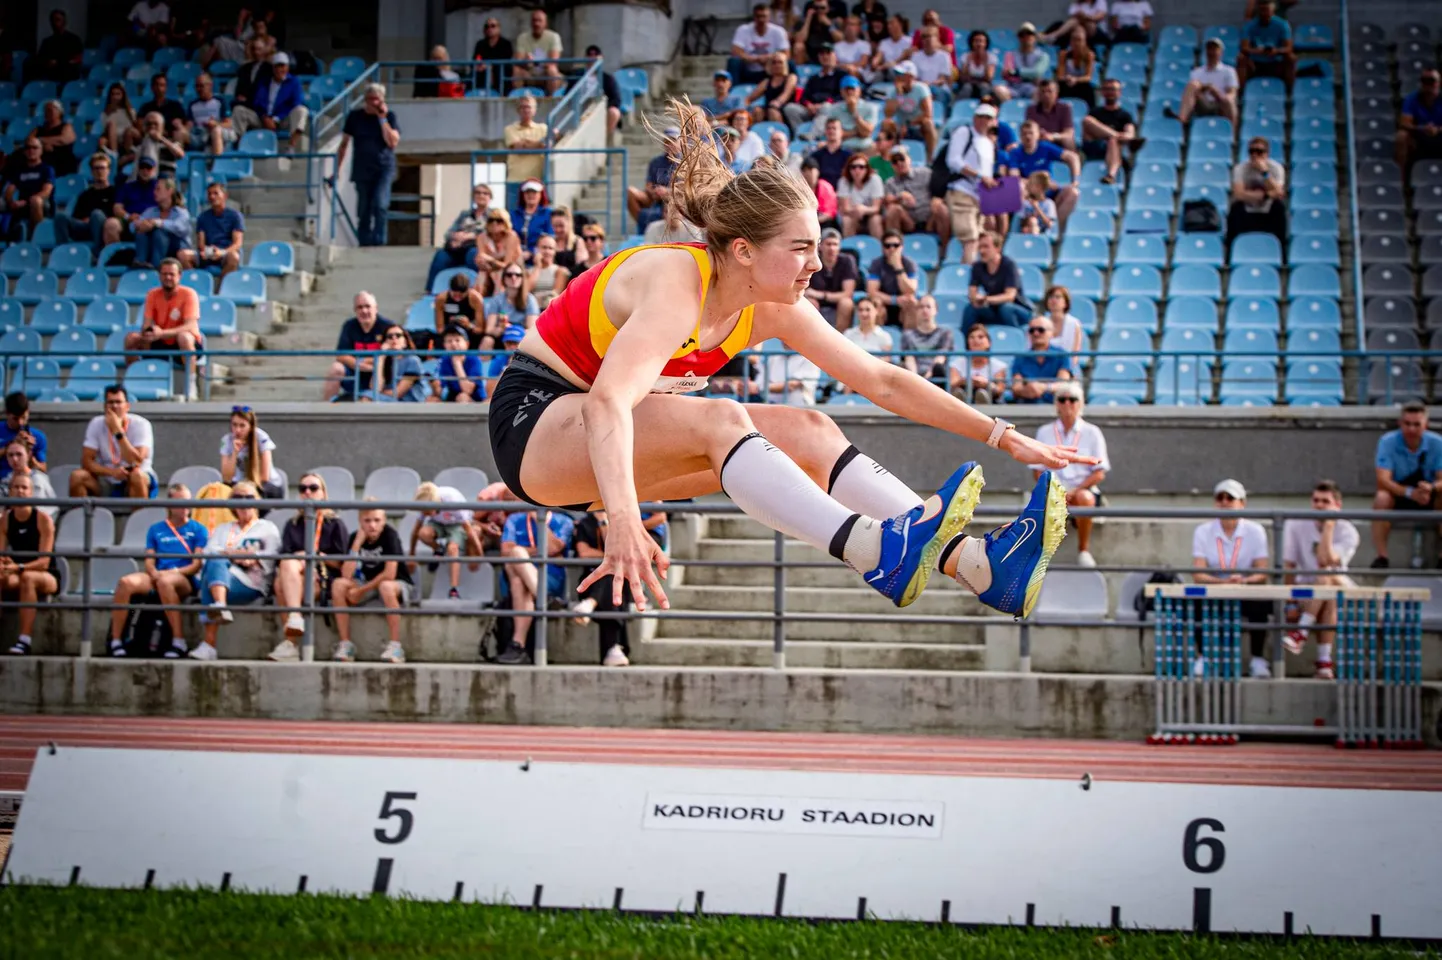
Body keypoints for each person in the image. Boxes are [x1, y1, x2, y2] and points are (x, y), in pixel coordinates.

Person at [486, 97, 1091, 622]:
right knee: (723, 419)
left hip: (604, 438)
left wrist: (1002, 434)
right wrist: (624, 518)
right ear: (744, 251)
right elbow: (609, 400)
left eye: (820, 246)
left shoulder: (769, 303)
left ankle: (983, 568)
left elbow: (882, 380)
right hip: (538, 425)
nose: (818, 265)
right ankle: (874, 551)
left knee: (809, 429)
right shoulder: (677, 282)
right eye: (802, 248)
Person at [106, 482, 208, 657]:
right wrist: (153, 573)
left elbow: (196, 565)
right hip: (158, 574)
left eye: (188, 501)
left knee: (165, 582)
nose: (185, 506)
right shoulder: (156, 529)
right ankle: (116, 640)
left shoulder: (199, 529)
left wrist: (171, 573)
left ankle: (178, 641)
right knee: (126, 583)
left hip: (183, 577)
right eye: (180, 502)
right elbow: (149, 560)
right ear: (170, 505)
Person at [188, 481, 281, 660]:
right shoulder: (224, 528)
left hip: (250, 583)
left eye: (249, 497)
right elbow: (209, 552)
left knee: (211, 576)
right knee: (214, 563)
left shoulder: (267, 528)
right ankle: (220, 606)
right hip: (222, 578)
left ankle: (209, 643)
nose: (244, 502)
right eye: (238, 498)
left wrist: (238, 555)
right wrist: (239, 555)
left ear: (258, 501)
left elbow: (270, 556)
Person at [1190, 478, 1272, 678]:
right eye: (1220, 498)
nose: (1225, 502)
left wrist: (1244, 582)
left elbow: (1262, 572)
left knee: (1261, 602)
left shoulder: (1255, 531)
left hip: (1244, 589)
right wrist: (1222, 583)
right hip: (1216, 590)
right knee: (1197, 599)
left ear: (1242, 504)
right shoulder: (1203, 531)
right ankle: (1203, 657)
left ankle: (1258, 659)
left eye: (1230, 498)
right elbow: (1198, 574)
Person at [1282, 480, 1360, 680]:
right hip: (1308, 588)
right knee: (1329, 595)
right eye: (1316, 500)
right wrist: (1290, 602)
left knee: (1327, 578)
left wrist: (1329, 526)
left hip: (1338, 582)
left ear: (1337, 506)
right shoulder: (1295, 524)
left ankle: (1301, 632)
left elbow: (1326, 561)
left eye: (1325, 501)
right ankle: (1324, 663)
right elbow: (1288, 566)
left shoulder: (1348, 531)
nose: (1319, 505)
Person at [267, 472, 349, 661]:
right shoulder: (292, 524)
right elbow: (284, 558)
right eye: (303, 489)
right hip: (297, 578)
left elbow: (340, 563)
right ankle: (294, 620)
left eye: (313, 488)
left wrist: (313, 557)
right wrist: (299, 559)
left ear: (323, 493)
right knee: (284, 574)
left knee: (281, 584)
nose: (308, 492)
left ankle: (291, 643)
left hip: (324, 579)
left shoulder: (335, 523)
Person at [1030, 383, 1106, 566]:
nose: (1067, 404)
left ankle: (1084, 550)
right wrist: (1058, 491)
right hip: (1053, 488)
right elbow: (1037, 471)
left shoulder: (1092, 432)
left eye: (1072, 399)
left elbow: (1099, 473)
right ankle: (1039, 555)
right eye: (1062, 399)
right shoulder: (1044, 431)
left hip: (1082, 488)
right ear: (1056, 404)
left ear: (1080, 404)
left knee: (1085, 498)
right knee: (1043, 501)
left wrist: (1074, 491)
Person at [331, 505, 412, 663]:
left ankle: (396, 647)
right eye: (367, 521)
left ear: (384, 521)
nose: (372, 525)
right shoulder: (355, 537)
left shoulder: (390, 535)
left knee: (386, 586)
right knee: (338, 585)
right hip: (368, 584)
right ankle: (346, 645)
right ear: (360, 522)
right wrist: (356, 545)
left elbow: (390, 574)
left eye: (377, 520)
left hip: (397, 584)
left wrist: (361, 590)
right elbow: (346, 574)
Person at [494, 507, 575, 664]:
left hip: (549, 577)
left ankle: (518, 644)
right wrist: (541, 552)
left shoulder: (564, 521)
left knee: (517, 568)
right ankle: (544, 598)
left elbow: (552, 547)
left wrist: (541, 521)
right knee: (516, 558)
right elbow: (505, 551)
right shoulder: (515, 519)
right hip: (528, 581)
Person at [1370, 400, 1442, 568]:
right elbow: (1383, 480)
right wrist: (1410, 493)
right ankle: (1382, 557)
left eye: (1416, 424)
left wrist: (1430, 488)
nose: (1411, 429)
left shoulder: (1438, 443)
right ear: (1400, 423)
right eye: (1407, 424)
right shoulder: (1387, 442)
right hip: (1400, 494)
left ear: (1426, 425)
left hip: (1429, 495)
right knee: (1381, 498)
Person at [0, 474, 59, 657]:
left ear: (32, 492)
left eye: (24, 488)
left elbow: (44, 562)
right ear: (9, 492)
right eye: (16, 487)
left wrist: (18, 567)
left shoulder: (43, 519)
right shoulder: (6, 519)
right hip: (18, 570)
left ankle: (24, 640)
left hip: (47, 575)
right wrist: (5, 564)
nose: (20, 491)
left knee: (28, 578)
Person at [126, 256, 202, 397]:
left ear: (179, 276)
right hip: (160, 340)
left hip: (183, 343)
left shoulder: (189, 294)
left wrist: (162, 333)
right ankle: (133, 381)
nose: (168, 277)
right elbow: (147, 323)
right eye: (164, 274)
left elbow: (190, 325)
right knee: (131, 339)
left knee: (184, 337)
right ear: (159, 275)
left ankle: (191, 384)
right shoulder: (152, 294)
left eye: (171, 274)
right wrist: (148, 332)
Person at [336, 83, 401, 247]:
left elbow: (392, 142)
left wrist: (382, 119)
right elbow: (344, 144)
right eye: (370, 99)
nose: (374, 103)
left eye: (377, 100)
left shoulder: (389, 117)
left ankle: (379, 242)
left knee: (380, 204)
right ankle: (364, 243)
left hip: (383, 167)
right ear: (365, 100)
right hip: (362, 168)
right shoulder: (355, 117)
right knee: (363, 209)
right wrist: (337, 169)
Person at [571, 510, 639, 666]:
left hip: (620, 580)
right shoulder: (585, 523)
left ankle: (590, 603)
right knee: (611, 577)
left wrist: (603, 524)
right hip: (591, 581)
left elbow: (617, 550)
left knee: (612, 576)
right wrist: (609, 557)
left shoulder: (621, 520)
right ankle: (615, 648)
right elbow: (583, 553)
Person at [70, 385, 157, 500]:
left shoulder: (141, 424)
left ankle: (139, 517)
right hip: (106, 477)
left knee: (137, 476)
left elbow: (136, 461)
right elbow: (86, 461)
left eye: (118, 402)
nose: (114, 406)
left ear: (127, 406)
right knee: (77, 476)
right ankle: (81, 517)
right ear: (105, 406)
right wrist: (112, 472)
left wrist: (118, 431)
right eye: (110, 402)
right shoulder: (96, 423)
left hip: (133, 476)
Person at [941, 104, 997, 265]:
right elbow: (953, 161)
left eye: (988, 118)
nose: (984, 121)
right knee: (970, 239)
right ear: (974, 118)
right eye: (981, 117)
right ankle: (968, 281)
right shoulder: (964, 132)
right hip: (962, 192)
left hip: (979, 197)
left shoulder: (988, 143)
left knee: (979, 240)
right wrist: (979, 176)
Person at [1001, 120, 1081, 226]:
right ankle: (1020, 226)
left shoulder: (1045, 147)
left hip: (1048, 194)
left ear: (1038, 134)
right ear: (1020, 136)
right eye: (1024, 134)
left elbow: (1073, 157)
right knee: (1018, 186)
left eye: (1031, 133)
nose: (1028, 137)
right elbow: (1014, 177)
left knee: (1073, 193)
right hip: (1029, 195)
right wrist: (1041, 183)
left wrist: (1075, 180)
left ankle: (1055, 228)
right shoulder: (1016, 153)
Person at [324, 291, 394, 401]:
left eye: (367, 306)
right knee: (335, 368)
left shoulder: (387, 326)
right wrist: (360, 364)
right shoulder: (349, 325)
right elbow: (341, 355)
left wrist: (369, 362)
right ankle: (326, 409)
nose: (364, 311)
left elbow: (392, 356)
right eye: (359, 307)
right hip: (355, 372)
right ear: (355, 310)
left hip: (380, 375)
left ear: (376, 308)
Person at [231, 52, 308, 151]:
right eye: (277, 66)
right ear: (273, 68)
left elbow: (296, 102)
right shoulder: (264, 81)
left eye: (283, 66)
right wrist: (264, 117)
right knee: (239, 110)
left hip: (282, 119)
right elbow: (257, 102)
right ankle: (241, 144)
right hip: (263, 118)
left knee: (301, 110)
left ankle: (291, 145)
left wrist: (276, 119)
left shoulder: (294, 82)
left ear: (287, 67)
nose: (280, 69)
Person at [427, 184, 495, 291]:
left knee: (473, 254)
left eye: (485, 193)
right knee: (441, 255)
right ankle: (431, 290)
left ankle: (476, 289)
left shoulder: (493, 215)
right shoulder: (465, 214)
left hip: (477, 247)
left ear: (490, 197)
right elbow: (448, 233)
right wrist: (455, 237)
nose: (481, 195)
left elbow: (493, 233)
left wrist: (471, 236)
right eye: (478, 193)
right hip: (458, 247)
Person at [1227, 137, 1287, 250]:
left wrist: (1264, 173)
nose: (1255, 155)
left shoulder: (1276, 168)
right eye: (1251, 151)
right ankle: (1232, 250)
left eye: (1259, 151)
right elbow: (1239, 194)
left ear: (1267, 153)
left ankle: (1281, 251)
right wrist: (1266, 195)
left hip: (1268, 209)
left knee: (1279, 207)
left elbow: (1279, 193)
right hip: (1247, 208)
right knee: (1235, 207)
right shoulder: (1241, 168)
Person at [963, 231, 1031, 331]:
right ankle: (964, 343)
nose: (981, 251)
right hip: (994, 309)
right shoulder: (977, 266)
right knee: (971, 308)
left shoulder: (1009, 265)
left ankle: (1016, 341)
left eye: (986, 247)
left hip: (1017, 309)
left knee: (1006, 308)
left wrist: (985, 299)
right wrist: (975, 299)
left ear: (997, 248)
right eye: (980, 247)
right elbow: (972, 293)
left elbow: (1009, 297)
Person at [54, 153, 118, 255]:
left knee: (96, 214)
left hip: (103, 228)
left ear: (108, 170)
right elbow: (77, 216)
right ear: (92, 171)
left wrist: (94, 218)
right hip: (85, 227)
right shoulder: (85, 194)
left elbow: (116, 216)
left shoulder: (115, 192)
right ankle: (62, 251)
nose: (99, 171)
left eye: (102, 168)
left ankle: (98, 252)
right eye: (96, 168)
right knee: (60, 217)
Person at [1167, 37, 1239, 126]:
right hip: (1203, 103)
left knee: (1229, 100)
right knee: (1193, 85)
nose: (1211, 52)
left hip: (1220, 103)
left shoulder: (1229, 71)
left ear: (1220, 52)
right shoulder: (1196, 72)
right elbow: (1194, 92)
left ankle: (1232, 134)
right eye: (1209, 49)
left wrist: (1218, 94)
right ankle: (1182, 119)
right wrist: (1205, 88)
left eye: (1214, 49)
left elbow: (1232, 93)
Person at [1080, 78, 1138, 185]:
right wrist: (1117, 135)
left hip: (1113, 149)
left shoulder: (1125, 115)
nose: (1110, 92)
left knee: (1113, 141)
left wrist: (1117, 137)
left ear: (1119, 92)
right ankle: (1115, 136)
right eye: (1107, 89)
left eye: (1113, 89)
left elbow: (1130, 134)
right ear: (1102, 92)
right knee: (1088, 121)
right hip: (1094, 146)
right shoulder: (1095, 112)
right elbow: (1087, 126)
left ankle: (1111, 175)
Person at [220, 405, 284, 499]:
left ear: (250, 426)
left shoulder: (261, 438)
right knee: (221, 492)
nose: (238, 430)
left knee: (250, 495)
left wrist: (245, 489)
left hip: (267, 485)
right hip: (240, 485)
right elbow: (226, 477)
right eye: (234, 425)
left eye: (242, 425)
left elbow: (264, 476)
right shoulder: (227, 440)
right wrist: (234, 453)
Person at [131, 178, 192, 269]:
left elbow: (180, 227)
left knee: (159, 232)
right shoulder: (151, 211)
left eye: (158, 189)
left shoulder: (181, 212)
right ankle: (140, 263)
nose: (154, 192)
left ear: (169, 191)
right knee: (142, 231)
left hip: (176, 251)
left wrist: (157, 223)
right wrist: (141, 225)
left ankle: (156, 267)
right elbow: (131, 226)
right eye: (154, 189)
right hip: (153, 251)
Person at [804, 227, 858, 330]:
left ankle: (839, 338)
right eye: (828, 244)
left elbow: (848, 293)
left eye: (835, 244)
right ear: (820, 246)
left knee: (846, 303)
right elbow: (806, 290)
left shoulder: (847, 261)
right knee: (809, 303)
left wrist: (822, 295)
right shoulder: (811, 260)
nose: (831, 248)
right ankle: (813, 337)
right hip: (816, 301)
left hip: (837, 302)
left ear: (839, 247)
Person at [865, 229, 920, 328]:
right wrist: (894, 300)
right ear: (882, 248)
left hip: (903, 305)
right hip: (884, 302)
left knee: (912, 302)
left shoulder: (909, 264)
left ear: (901, 247)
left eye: (895, 245)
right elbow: (872, 291)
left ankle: (909, 341)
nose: (892, 249)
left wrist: (898, 266)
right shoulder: (876, 263)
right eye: (887, 246)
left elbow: (910, 290)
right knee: (875, 302)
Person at [1010, 317, 1073, 403]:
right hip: (1027, 407)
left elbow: (1063, 383)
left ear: (1052, 333)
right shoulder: (1020, 357)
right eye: (1032, 330)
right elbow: (1016, 387)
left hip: (1055, 406)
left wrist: (1044, 387)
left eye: (1041, 330)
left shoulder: (1062, 355)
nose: (1036, 333)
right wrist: (1029, 390)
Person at [628, 125, 679, 227]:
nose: (670, 144)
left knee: (676, 197)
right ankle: (643, 226)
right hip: (656, 196)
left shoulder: (686, 162)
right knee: (631, 192)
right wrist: (655, 191)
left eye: (673, 141)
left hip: (677, 197)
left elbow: (687, 188)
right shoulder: (656, 162)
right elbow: (648, 184)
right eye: (667, 141)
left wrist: (668, 192)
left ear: (681, 142)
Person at [3, 137, 54, 238]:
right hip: (22, 204)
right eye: (28, 148)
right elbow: (9, 190)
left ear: (41, 150)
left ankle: (36, 236)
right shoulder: (20, 170)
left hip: (42, 205)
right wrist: (11, 202)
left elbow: (47, 191)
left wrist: (29, 200)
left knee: (36, 201)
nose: (31, 150)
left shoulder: (47, 169)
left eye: (35, 148)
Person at [1237, 0, 1295, 90]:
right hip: (1255, 62)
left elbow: (1288, 47)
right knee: (1241, 58)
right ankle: (1241, 92)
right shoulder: (1249, 26)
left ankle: (1290, 91)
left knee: (1291, 58)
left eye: (1266, 9)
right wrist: (1258, 51)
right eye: (1262, 10)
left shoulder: (1282, 24)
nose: (1264, 13)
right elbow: (1244, 47)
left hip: (1275, 61)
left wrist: (1276, 51)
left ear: (1273, 10)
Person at [883, 62, 936, 159]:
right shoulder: (893, 91)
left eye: (901, 74)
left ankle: (930, 158)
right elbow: (888, 114)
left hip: (917, 125)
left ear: (911, 76)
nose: (898, 77)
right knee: (887, 124)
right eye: (897, 74)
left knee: (928, 124)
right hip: (900, 125)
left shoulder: (921, 89)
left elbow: (927, 114)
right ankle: (890, 158)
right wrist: (899, 95)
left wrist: (909, 124)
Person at [190, 182, 245, 276]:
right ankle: (195, 283)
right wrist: (206, 251)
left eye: (215, 193)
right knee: (183, 255)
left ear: (225, 196)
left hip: (226, 253)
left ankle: (221, 289)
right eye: (209, 194)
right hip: (208, 253)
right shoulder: (202, 217)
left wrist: (222, 252)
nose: (212, 197)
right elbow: (201, 243)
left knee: (234, 257)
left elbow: (237, 243)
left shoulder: (235, 216)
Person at [362, 328, 430, 403]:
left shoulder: (413, 360)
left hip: (409, 403)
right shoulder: (384, 361)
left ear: (405, 342)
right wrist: (381, 357)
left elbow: (398, 393)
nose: (394, 338)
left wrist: (377, 392)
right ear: (385, 342)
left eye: (398, 335)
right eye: (390, 336)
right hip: (389, 400)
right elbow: (375, 388)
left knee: (368, 397)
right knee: (367, 397)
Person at [730, 3, 792, 84]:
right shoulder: (743, 30)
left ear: (769, 17)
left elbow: (786, 54)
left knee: (790, 64)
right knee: (733, 62)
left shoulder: (778, 31)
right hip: (749, 69)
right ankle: (732, 91)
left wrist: (769, 58)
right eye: (758, 16)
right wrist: (754, 59)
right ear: (754, 17)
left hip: (770, 70)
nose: (761, 20)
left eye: (764, 16)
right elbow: (735, 52)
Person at [1396, 68, 1442, 171]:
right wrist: (1422, 128)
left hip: (1440, 135)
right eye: (1424, 80)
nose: (1427, 85)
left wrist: (1437, 130)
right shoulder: (1412, 99)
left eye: (1431, 80)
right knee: (1401, 136)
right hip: (1419, 136)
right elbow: (1405, 123)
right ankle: (1401, 180)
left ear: (1439, 83)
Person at [901, 294, 954, 380]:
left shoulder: (945, 333)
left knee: (939, 368)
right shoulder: (907, 335)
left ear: (936, 310)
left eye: (928, 307)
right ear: (917, 311)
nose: (925, 310)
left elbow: (940, 358)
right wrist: (917, 379)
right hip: (915, 378)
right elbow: (909, 359)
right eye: (921, 307)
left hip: (935, 377)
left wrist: (927, 378)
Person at [473, 208, 524, 296]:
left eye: (499, 220)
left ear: (506, 223)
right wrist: (485, 263)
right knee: (481, 275)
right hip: (490, 270)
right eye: (491, 220)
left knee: (500, 274)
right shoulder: (482, 237)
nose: (494, 223)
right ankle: (478, 304)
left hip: (513, 271)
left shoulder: (512, 237)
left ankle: (500, 304)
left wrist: (491, 260)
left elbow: (508, 265)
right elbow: (480, 260)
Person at [950, 324, 1007, 402]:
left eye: (980, 337)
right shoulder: (957, 363)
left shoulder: (998, 366)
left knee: (986, 392)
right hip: (965, 392)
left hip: (991, 398)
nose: (976, 340)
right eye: (972, 337)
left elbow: (1000, 389)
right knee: (959, 391)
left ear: (988, 343)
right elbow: (952, 384)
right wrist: (965, 381)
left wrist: (986, 383)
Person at [429, 325, 486, 403]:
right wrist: (434, 384)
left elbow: (468, 390)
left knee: (463, 397)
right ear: (444, 345)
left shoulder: (474, 360)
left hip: (475, 400)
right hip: (452, 397)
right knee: (431, 400)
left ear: (467, 344)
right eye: (449, 341)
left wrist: (457, 363)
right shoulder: (444, 360)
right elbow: (439, 392)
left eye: (457, 340)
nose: (453, 344)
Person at [0, 440, 56, 519]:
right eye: (10, 455)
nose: (15, 459)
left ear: (28, 455)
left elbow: (35, 509)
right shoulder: (6, 480)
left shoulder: (37, 478)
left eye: (19, 454)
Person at [514, 9, 564, 95]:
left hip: (546, 74)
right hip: (529, 74)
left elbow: (553, 61)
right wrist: (526, 61)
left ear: (545, 23)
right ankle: (517, 99)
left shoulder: (554, 37)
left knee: (552, 70)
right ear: (531, 23)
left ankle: (551, 101)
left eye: (539, 21)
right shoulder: (522, 38)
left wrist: (535, 62)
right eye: (534, 20)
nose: (536, 24)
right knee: (517, 70)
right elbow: (518, 60)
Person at [433, 272, 487, 350]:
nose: (458, 297)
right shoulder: (441, 299)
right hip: (449, 331)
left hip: (469, 332)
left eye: (461, 295)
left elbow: (480, 329)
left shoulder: (475, 299)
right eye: (455, 294)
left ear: (468, 290)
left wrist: (469, 325)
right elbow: (440, 329)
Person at [185, 72, 235, 156]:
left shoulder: (220, 101)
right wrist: (182, 128)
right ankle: (179, 166)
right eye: (197, 86)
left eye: (202, 86)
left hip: (218, 132)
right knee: (180, 133)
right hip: (200, 134)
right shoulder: (192, 104)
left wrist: (216, 124)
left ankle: (217, 164)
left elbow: (229, 124)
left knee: (216, 130)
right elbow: (189, 125)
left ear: (210, 85)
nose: (199, 89)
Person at [822, 75, 878, 150]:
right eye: (846, 89)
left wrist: (854, 112)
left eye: (852, 89)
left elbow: (866, 132)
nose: (850, 92)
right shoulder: (834, 109)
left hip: (865, 147)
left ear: (859, 90)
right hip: (841, 148)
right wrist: (857, 132)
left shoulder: (870, 107)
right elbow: (832, 134)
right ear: (841, 91)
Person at [999, 23, 1051, 102]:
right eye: (1022, 35)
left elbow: (1037, 72)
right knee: (999, 90)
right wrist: (1029, 76)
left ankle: (1034, 113)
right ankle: (1008, 111)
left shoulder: (1043, 56)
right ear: (1019, 38)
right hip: (1014, 87)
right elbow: (1007, 74)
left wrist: (1016, 72)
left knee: (1042, 92)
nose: (1026, 37)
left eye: (1030, 34)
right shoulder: (1010, 55)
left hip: (1033, 87)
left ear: (1035, 37)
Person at [745, 52, 799, 126]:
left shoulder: (791, 77)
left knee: (772, 112)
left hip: (785, 109)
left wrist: (777, 102)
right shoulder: (767, 81)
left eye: (780, 62)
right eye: (774, 62)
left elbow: (786, 94)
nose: (777, 65)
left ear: (785, 64)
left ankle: (781, 132)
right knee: (757, 110)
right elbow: (749, 98)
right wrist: (743, 107)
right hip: (769, 108)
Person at [0, 392, 46, 479]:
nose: (20, 422)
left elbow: (43, 470)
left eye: (23, 417)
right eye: (15, 418)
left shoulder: (38, 437)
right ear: (7, 413)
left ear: (28, 412)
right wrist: (12, 445)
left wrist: (28, 452)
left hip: (26, 482)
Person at [129, 110, 186, 180]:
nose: (152, 126)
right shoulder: (139, 145)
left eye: (156, 124)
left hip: (164, 182)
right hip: (143, 182)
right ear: (144, 127)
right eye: (149, 124)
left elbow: (180, 154)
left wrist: (161, 139)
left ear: (162, 127)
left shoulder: (169, 143)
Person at [30, 10, 83, 86]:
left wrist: (59, 63)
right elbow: (41, 59)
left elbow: (77, 59)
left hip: (68, 74)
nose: (55, 23)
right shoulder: (47, 42)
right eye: (53, 20)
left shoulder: (74, 40)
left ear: (64, 22)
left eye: (58, 20)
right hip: (51, 74)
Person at [837, 152, 884, 237]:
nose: (857, 170)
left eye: (861, 167)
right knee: (847, 220)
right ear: (849, 169)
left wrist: (863, 209)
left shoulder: (875, 180)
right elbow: (845, 208)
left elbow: (876, 208)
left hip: (870, 214)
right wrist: (857, 210)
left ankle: (879, 248)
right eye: (853, 167)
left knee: (875, 219)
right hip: (852, 214)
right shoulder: (844, 181)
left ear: (867, 169)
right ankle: (848, 248)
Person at [1039, 285, 1085, 370]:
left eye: (1058, 297)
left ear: (1065, 302)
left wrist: (1065, 372)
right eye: (1051, 297)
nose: (1053, 300)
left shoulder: (1074, 324)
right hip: (1042, 370)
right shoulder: (1039, 323)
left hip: (1067, 370)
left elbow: (1075, 355)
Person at [842, 297, 895, 366]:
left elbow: (886, 359)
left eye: (868, 310)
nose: (864, 313)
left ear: (876, 311)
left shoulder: (884, 336)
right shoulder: (848, 334)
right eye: (860, 310)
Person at [486, 265, 541, 331]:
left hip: (521, 337)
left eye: (518, 275)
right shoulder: (497, 300)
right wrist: (501, 328)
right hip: (501, 335)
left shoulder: (530, 299)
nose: (513, 278)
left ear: (522, 278)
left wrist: (512, 330)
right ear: (504, 278)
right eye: (509, 275)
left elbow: (531, 330)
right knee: (488, 340)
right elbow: (489, 330)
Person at [1026, 78, 1076, 150]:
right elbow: (1029, 130)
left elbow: (1069, 134)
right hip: (1040, 143)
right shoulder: (1031, 110)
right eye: (1043, 91)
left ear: (1056, 93)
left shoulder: (1064, 108)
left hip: (1059, 144)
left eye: (1049, 91)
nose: (1046, 94)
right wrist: (1039, 134)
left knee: (1068, 141)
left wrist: (1053, 136)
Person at [31, 100, 77, 177]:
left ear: (59, 112)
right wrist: (43, 145)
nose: (47, 112)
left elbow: (64, 140)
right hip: (43, 162)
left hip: (62, 162)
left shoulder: (66, 127)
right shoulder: (38, 129)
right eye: (46, 110)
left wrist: (40, 141)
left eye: (50, 110)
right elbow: (30, 141)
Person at [511, 180, 554, 260]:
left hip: (539, 258)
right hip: (515, 256)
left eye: (534, 192)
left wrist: (532, 252)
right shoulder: (514, 214)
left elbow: (550, 236)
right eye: (527, 192)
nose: (531, 195)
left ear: (540, 195)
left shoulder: (548, 214)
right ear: (523, 195)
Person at [1056, 27, 1097, 110]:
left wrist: (1076, 79)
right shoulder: (1064, 55)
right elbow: (1060, 75)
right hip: (1067, 82)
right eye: (1074, 40)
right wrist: (1067, 78)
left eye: (1079, 40)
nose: (1076, 43)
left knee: (1088, 89)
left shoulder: (1089, 55)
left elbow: (1088, 76)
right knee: (1059, 87)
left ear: (1084, 42)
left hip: (1081, 83)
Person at [136, 74, 187, 141]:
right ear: (152, 87)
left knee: (179, 133)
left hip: (170, 139)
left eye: (162, 85)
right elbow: (140, 123)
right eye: (156, 85)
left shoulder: (175, 105)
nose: (159, 88)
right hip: (150, 137)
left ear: (166, 88)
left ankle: (176, 151)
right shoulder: (145, 107)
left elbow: (182, 123)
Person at [471, 16, 514, 94]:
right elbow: (475, 60)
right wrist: (480, 65)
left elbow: (506, 62)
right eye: (487, 26)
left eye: (493, 26)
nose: (489, 29)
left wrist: (489, 66)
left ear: (499, 29)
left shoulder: (506, 44)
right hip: (483, 74)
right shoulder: (480, 44)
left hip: (500, 75)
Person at [908, 26, 956, 91]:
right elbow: (914, 78)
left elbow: (943, 78)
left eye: (930, 36)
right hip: (921, 89)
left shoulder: (945, 56)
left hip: (939, 89)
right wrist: (923, 84)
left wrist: (930, 84)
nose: (927, 39)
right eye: (924, 37)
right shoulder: (915, 56)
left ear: (937, 38)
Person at [807, 117, 850, 188]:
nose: (831, 131)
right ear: (825, 132)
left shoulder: (848, 155)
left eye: (834, 128)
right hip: (821, 192)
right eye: (828, 128)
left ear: (841, 132)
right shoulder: (816, 155)